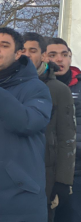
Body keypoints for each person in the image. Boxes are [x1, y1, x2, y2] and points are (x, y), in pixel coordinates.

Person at [0, 27, 52, 221]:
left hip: (20, 197)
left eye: (4, 45)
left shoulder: (36, 88)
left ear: (18, 53)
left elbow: (27, 122)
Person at [23, 33, 76, 222]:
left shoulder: (59, 90)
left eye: (33, 50)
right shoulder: (6, 85)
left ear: (43, 56)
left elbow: (66, 138)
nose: (27, 55)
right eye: (23, 50)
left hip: (47, 173)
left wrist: (63, 181)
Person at [45, 37, 81, 222]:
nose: (59, 59)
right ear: (44, 57)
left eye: (64, 55)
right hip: (45, 170)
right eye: (53, 55)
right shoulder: (36, 86)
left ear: (70, 57)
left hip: (76, 172)